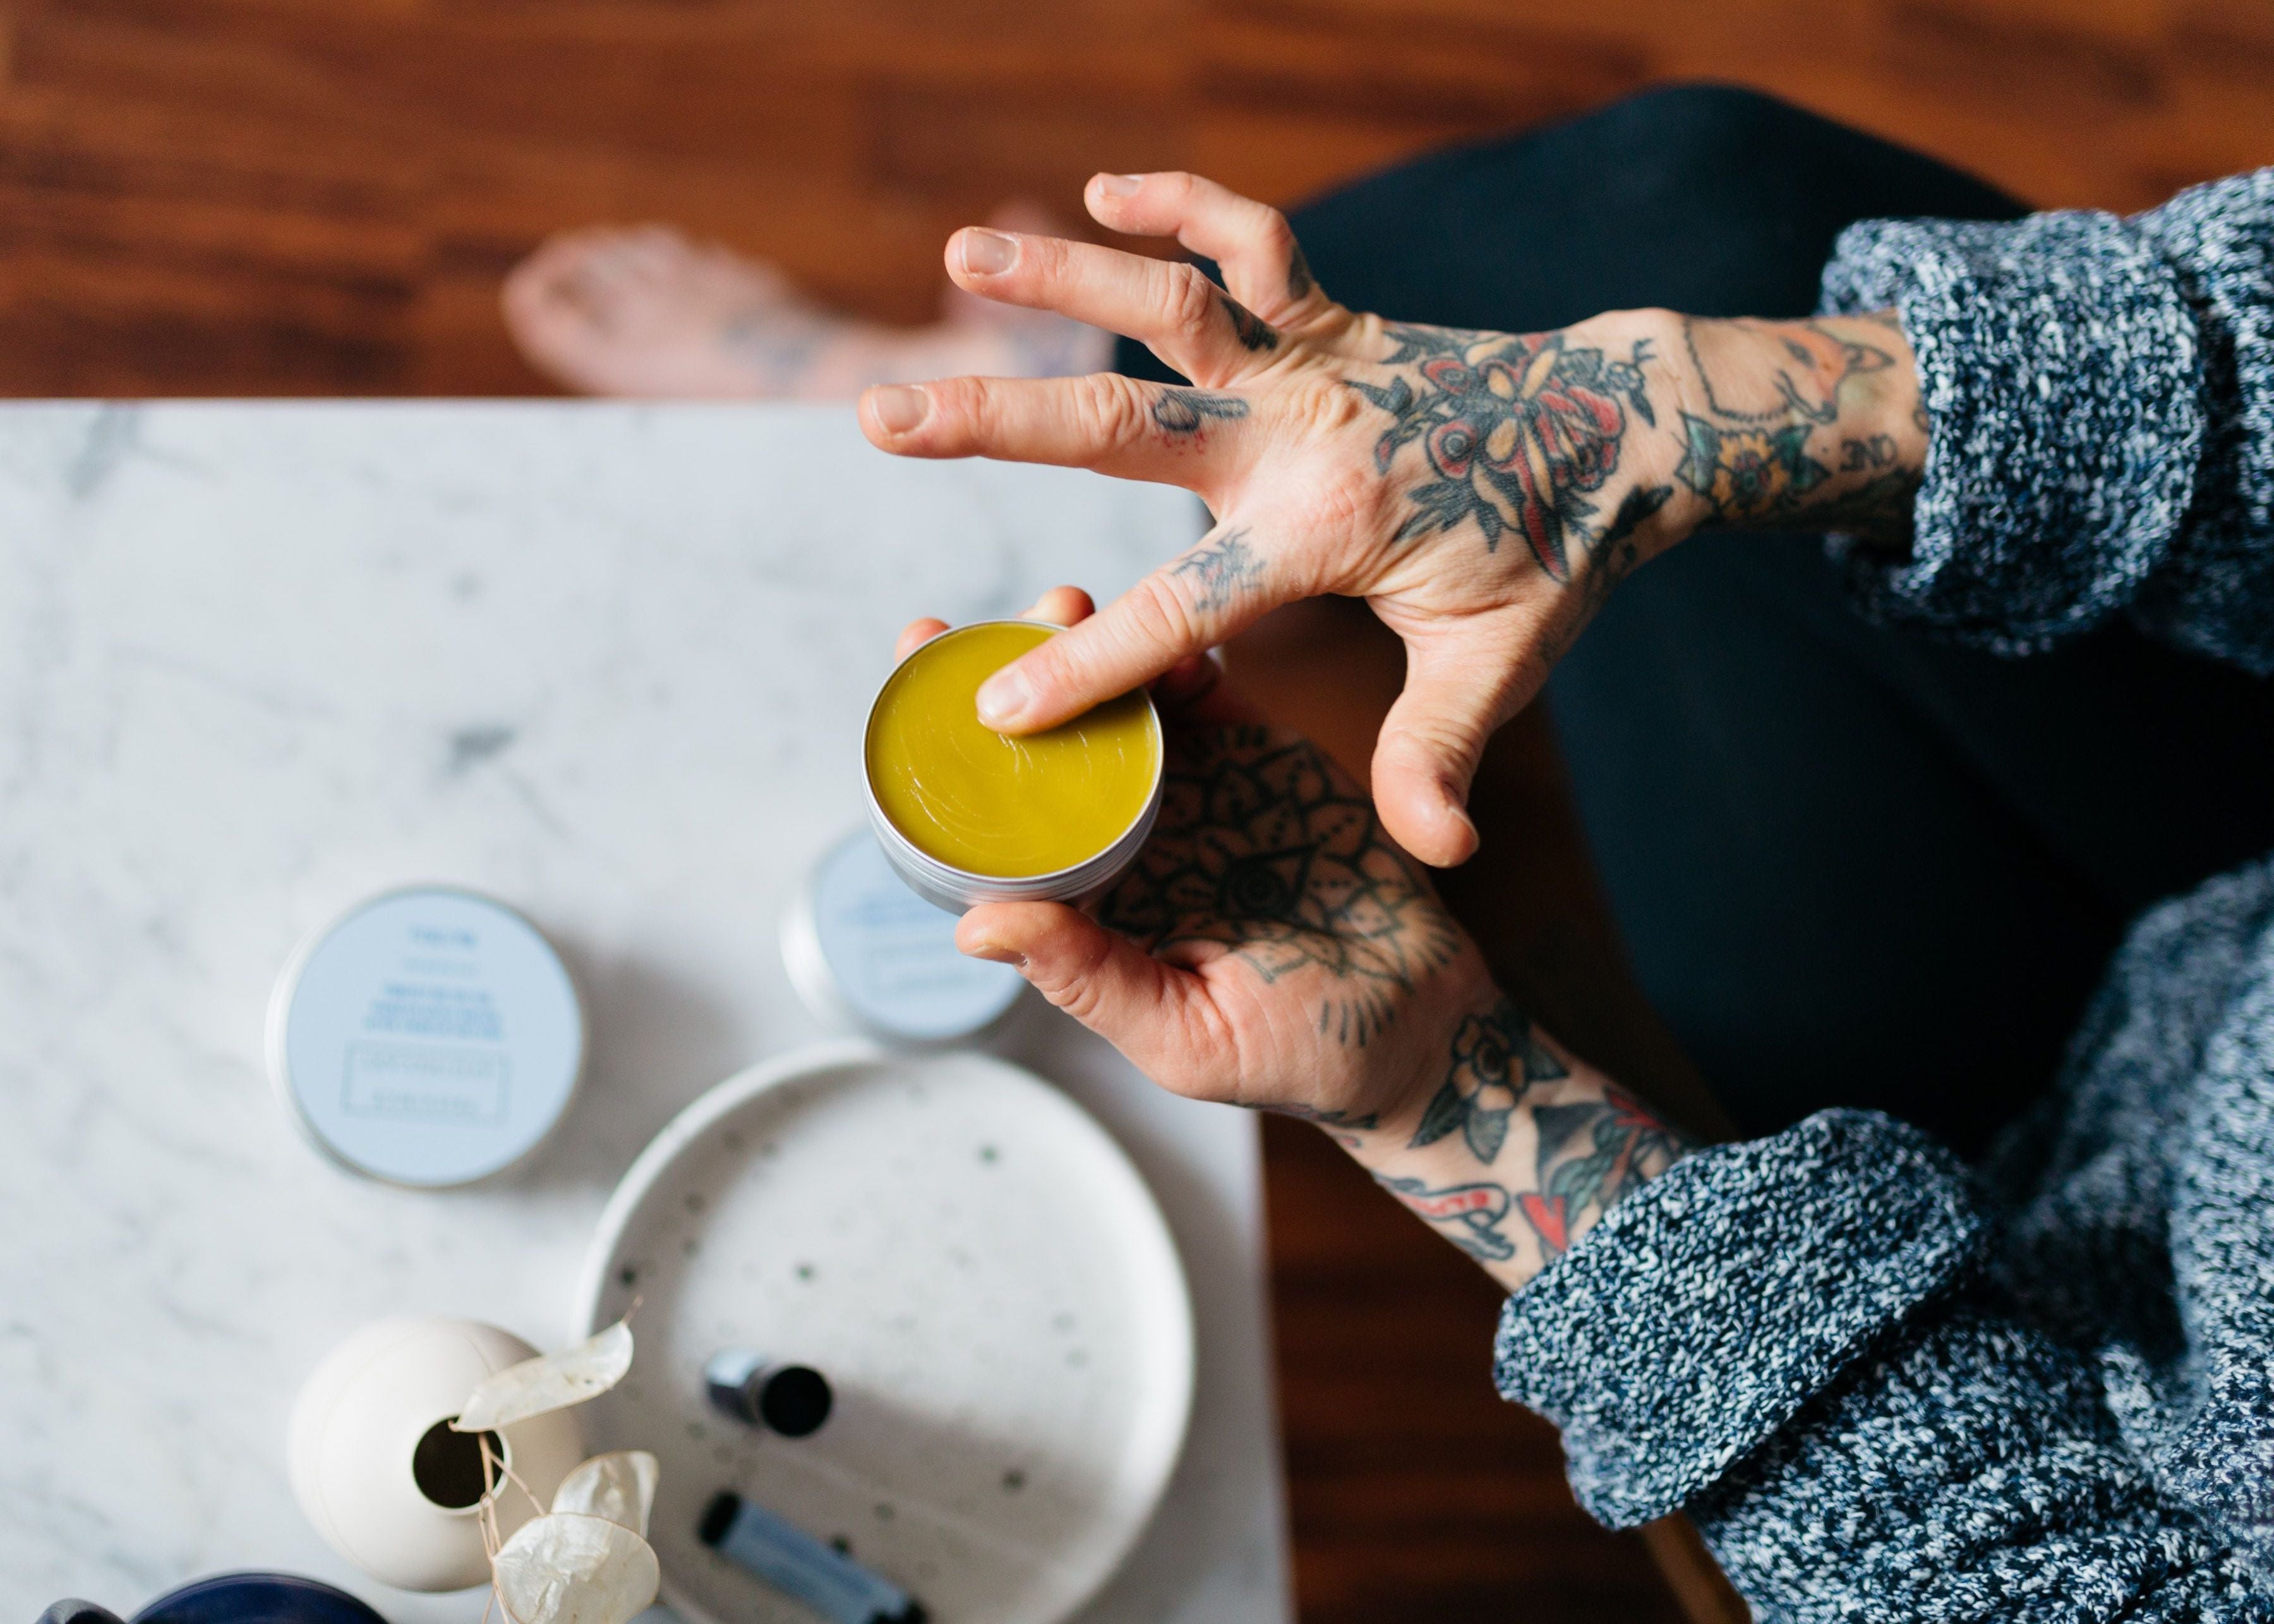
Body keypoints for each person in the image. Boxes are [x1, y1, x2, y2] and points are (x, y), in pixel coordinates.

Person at [517, 88, 2274, 1620]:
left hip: (2046, 1268)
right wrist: (1670, 412)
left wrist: (1451, 1085)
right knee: (1681, 197)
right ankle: (1124, 394)